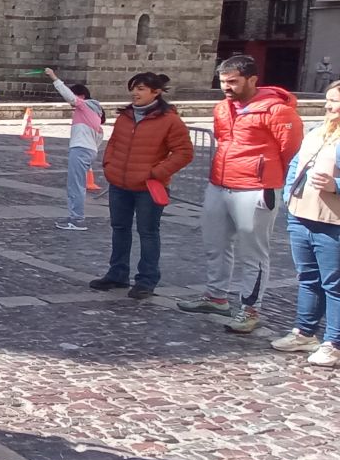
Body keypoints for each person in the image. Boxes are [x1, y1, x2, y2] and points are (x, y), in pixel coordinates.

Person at [180, 56, 303, 333]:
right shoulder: (222, 108)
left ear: (252, 79)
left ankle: (250, 308)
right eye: (223, 81)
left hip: (256, 188)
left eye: (233, 81)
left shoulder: (277, 111)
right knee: (215, 245)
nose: (227, 87)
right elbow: (224, 142)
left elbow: (291, 152)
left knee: (253, 253)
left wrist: (272, 179)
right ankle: (216, 297)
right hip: (220, 183)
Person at [91, 72, 193, 300]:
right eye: (133, 88)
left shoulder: (169, 120)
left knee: (148, 232)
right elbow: (114, 143)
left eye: (141, 89)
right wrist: (109, 166)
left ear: (155, 92)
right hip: (120, 184)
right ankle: (117, 273)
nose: (135, 93)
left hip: (149, 187)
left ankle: (146, 280)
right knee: (119, 228)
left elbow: (184, 152)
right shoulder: (125, 117)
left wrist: (156, 173)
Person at [276, 79, 340, 367]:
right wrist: (288, 196)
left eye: (335, 101)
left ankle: (334, 343)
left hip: (333, 221)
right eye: (328, 100)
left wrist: (336, 185)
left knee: (334, 284)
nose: (328, 105)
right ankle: (305, 332)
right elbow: (296, 164)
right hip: (301, 215)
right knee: (308, 278)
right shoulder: (318, 131)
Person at [44, 68, 106, 230]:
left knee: (75, 185)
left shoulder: (84, 106)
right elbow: (99, 137)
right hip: (88, 151)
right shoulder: (95, 114)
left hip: (80, 150)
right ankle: (75, 216)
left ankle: (77, 219)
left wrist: (54, 77)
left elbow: (69, 96)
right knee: (77, 184)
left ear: (82, 96)